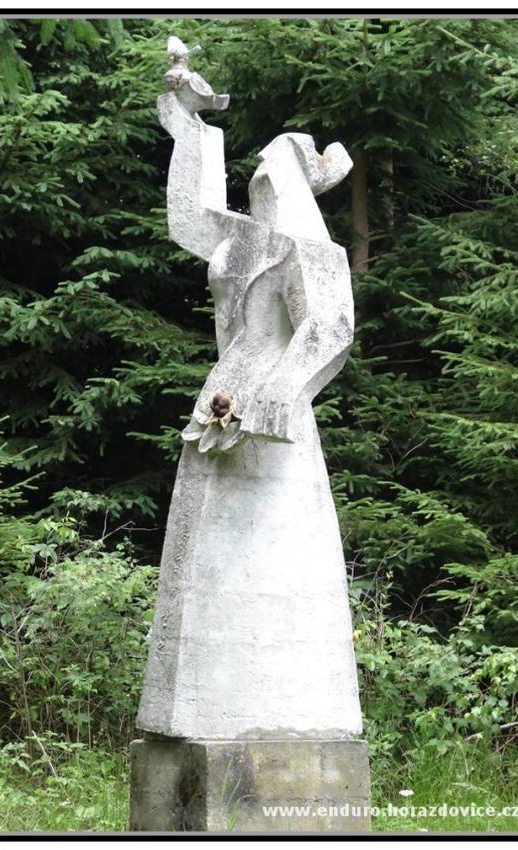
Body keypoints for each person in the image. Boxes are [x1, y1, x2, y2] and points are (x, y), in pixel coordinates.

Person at [137, 46, 363, 741]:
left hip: (272, 422)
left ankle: (280, 719)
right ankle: (191, 721)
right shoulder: (242, 243)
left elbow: (331, 327)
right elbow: (188, 218)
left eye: (274, 169)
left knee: (273, 562)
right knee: (204, 555)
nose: (262, 176)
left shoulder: (310, 250)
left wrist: (280, 391)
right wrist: (187, 126)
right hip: (222, 401)